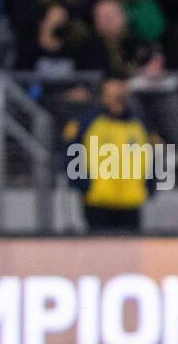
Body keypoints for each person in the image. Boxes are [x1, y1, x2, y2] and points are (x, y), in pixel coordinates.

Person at [63, 76, 160, 232]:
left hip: (131, 200)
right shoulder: (87, 121)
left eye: (121, 84)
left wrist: (150, 185)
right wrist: (83, 186)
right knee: (101, 249)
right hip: (98, 200)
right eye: (114, 85)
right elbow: (73, 154)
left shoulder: (139, 122)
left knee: (129, 251)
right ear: (103, 90)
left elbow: (151, 155)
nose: (118, 90)